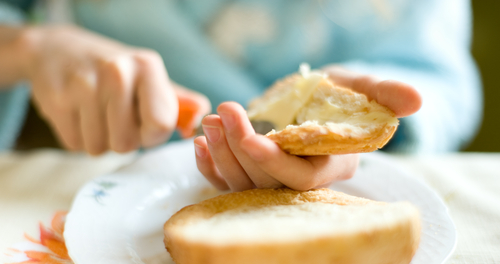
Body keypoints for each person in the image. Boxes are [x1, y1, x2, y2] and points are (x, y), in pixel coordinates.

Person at [0, 0, 482, 192]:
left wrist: (353, 133)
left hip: (349, 187)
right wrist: (29, 46)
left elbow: (440, 82)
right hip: (107, 194)